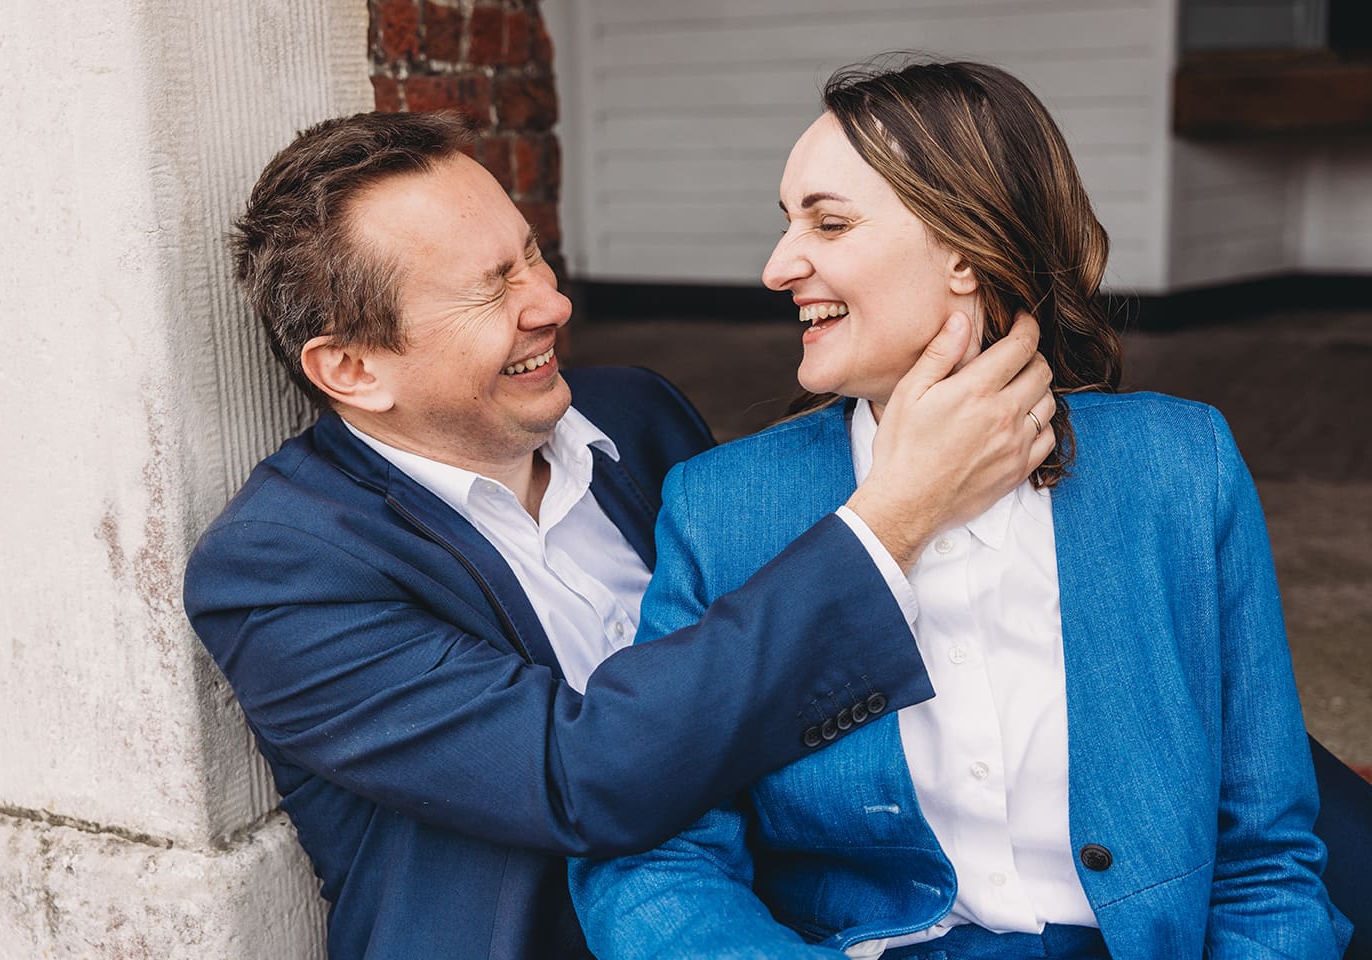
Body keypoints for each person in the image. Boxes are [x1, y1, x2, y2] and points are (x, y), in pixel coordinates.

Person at [181, 110, 1057, 960]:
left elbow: (758, 672)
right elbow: (581, 777)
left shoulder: (636, 416)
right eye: (492, 287)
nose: (552, 302)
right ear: (353, 368)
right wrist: (894, 518)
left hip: (756, 919)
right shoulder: (279, 570)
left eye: (530, 255)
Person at [570, 60, 1352, 960]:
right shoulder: (725, 506)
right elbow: (654, 858)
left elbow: (1265, 861)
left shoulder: (1179, 469)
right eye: (786, 224)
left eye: (829, 222)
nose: (779, 266)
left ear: (968, 252)